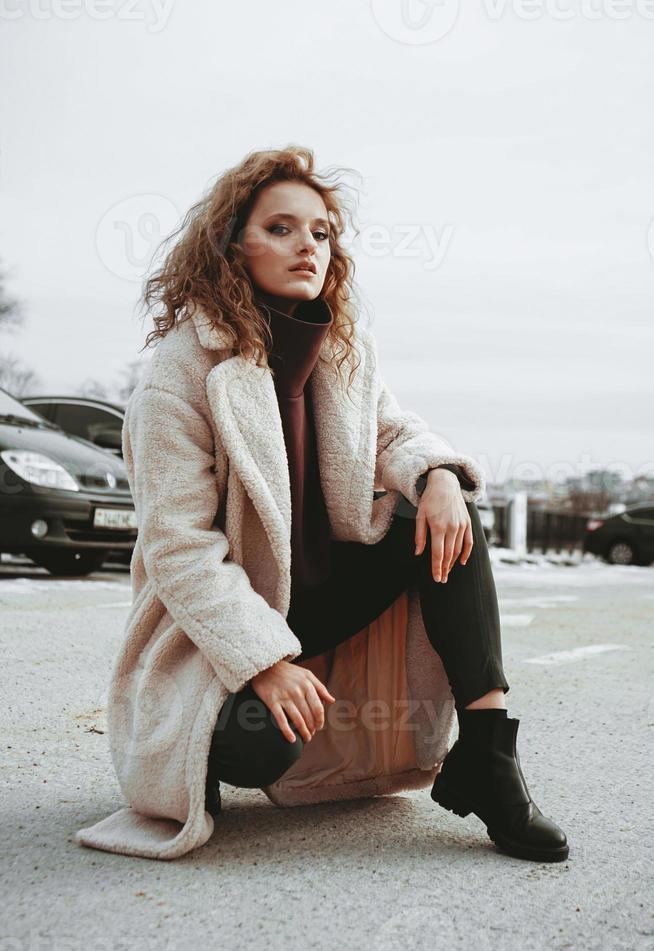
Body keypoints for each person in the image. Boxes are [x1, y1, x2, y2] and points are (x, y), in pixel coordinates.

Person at [75, 145, 568, 863]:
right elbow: (179, 548)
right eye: (280, 228)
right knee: (262, 741)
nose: (308, 244)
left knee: (446, 515)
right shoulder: (181, 374)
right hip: (224, 627)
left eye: (321, 231)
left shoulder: (338, 345)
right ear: (232, 247)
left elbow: (394, 430)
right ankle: (195, 754)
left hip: (313, 597)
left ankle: (488, 761)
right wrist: (263, 662)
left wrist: (437, 476)